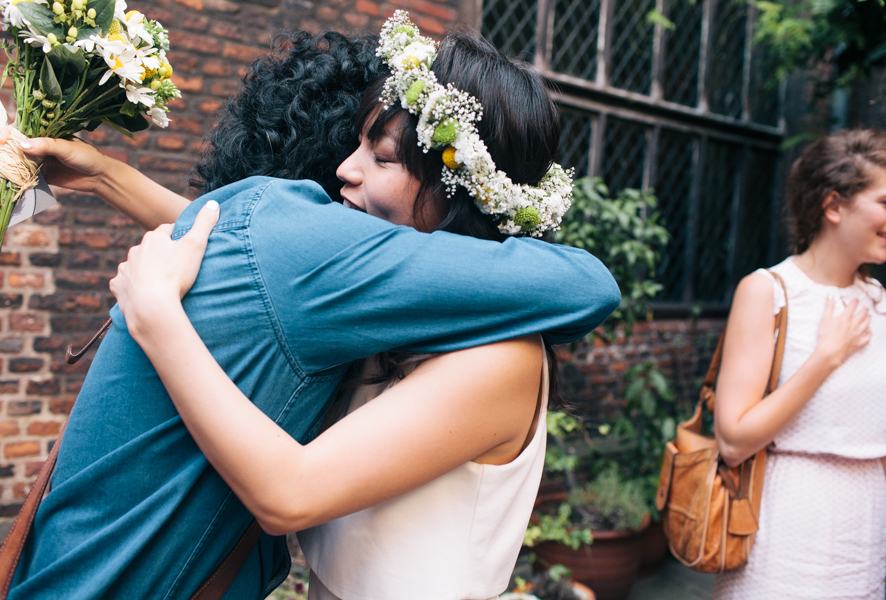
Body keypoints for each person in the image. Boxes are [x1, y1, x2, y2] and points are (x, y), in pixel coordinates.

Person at [7, 23, 620, 600]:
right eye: (357, 144)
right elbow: (255, 254)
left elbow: (289, 494)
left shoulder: (498, 359)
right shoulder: (392, 307)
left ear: (456, 186)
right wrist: (106, 178)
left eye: (381, 157)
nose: (345, 171)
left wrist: (159, 319)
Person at [712, 129, 886, 599]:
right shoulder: (769, 292)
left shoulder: (882, 305)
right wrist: (826, 357)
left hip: (865, 529)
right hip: (786, 523)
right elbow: (733, 439)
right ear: (834, 206)